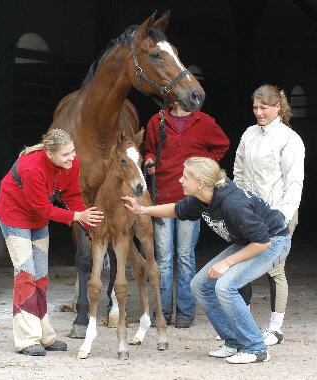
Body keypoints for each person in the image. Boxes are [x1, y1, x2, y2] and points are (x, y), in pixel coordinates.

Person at [122, 156, 291, 364]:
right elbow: (176, 210)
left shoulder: (232, 204)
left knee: (225, 286)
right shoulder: (202, 198)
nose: (180, 181)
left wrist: (227, 263)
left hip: (274, 241)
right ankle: (234, 342)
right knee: (200, 285)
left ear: (200, 184)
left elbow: (262, 242)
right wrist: (141, 209)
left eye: (185, 177)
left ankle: (256, 348)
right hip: (250, 241)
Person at [0, 129, 104, 356]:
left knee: (41, 276)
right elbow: (41, 207)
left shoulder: (71, 164)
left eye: (72, 151)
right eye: (65, 154)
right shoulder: (31, 167)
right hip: (15, 215)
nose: (71, 157)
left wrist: (88, 225)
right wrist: (77, 217)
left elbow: (72, 196)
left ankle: (45, 336)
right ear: (50, 153)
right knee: (26, 273)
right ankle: (26, 340)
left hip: (38, 218)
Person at [144, 101, 229, 328]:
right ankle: (161, 313)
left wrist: (203, 168)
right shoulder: (157, 120)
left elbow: (222, 144)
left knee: (184, 256)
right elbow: (150, 149)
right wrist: (149, 159)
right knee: (162, 258)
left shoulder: (205, 122)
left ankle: (185, 313)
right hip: (162, 196)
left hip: (190, 199)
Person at [233, 84, 305, 346]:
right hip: (249, 213)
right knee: (242, 267)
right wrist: (237, 205)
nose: (259, 112)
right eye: (255, 107)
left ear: (277, 107)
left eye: (264, 107)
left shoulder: (290, 139)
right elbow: (238, 171)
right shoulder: (249, 134)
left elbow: (294, 182)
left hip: (277, 213)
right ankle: (246, 324)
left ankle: (275, 329)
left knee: (275, 270)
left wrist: (281, 217)